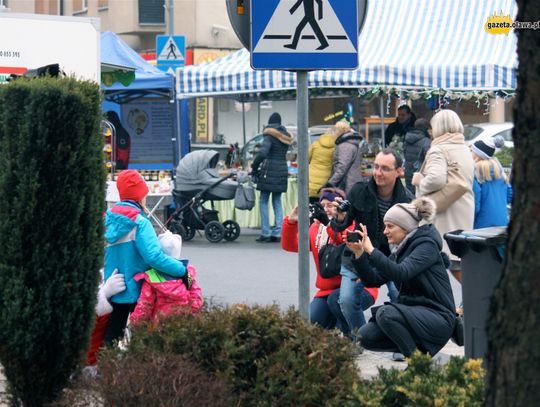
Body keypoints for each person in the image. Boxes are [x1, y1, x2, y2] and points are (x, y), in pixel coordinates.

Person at [347, 197, 456, 358]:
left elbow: (401, 272)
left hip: (438, 317)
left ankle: (417, 365)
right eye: (385, 226)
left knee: (386, 313)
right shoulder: (401, 251)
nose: (385, 231)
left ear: (405, 228)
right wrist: (359, 253)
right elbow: (373, 280)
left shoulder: (426, 246)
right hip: (414, 314)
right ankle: (418, 356)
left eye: (390, 226)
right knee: (365, 336)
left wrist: (372, 250)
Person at [329, 149, 414, 342]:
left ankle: (401, 343)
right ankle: (364, 339)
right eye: (376, 166)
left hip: (393, 259)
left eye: (385, 168)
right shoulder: (359, 190)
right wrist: (340, 218)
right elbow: (339, 224)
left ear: (399, 171)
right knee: (347, 301)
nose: (378, 172)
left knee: (402, 299)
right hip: (358, 258)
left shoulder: (407, 200)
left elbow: (412, 237)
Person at [103, 170, 187, 344]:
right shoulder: (140, 222)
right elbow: (154, 257)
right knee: (143, 336)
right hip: (138, 289)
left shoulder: (107, 221)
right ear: (139, 197)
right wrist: (181, 270)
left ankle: (106, 369)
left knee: (112, 334)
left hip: (113, 286)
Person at [281, 189, 378, 330]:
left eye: (332, 205)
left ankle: (357, 339)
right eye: (323, 205)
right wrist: (291, 222)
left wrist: (329, 223)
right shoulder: (315, 228)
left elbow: (343, 240)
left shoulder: (352, 224)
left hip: (359, 288)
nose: (327, 209)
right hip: (326, 290)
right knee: (312, 319)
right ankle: (336, 332)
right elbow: (292, 246)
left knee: (337, 301)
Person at [412, 109, 474, 283]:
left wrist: (419, 181)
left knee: (445, 263)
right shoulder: (464, 148)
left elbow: (436, 179)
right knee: (456, 262)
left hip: (442, 215)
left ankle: (481, 301)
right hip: (462, 210)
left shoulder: (438, 150)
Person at [130, 231, 202, 325]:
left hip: (160, 325)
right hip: (184, 323)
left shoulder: (152, 277)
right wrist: (193, 313)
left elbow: (145, 305)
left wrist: (134, 322)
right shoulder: (186, 273)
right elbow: (195, 294)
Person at [251, 112, 293, 243]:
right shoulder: (285, 137)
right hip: (281, 170)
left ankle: (265, 232)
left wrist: (254, 165)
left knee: (263, 200)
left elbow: (263, 153)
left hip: (268, 170)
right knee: (277, 201)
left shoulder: (269, 136)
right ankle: (278, 232)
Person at [470, 136, 512, 228]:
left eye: (472, 151)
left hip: (481, 226)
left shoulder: (475, 172)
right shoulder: (500, 172)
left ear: (477, 155)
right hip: (502, 223)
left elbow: (475, 205)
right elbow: (509, 196)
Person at [325, 120, 365, 195]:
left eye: (335, 130)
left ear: (340, 131)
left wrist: (330, 183)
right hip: (352, 183)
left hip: (347, 185)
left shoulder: (346, 145)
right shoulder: (350, 142)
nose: (334, 132)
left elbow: (342, 167)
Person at [308, 126, 337, 202]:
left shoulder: (315, 144)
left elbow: (307, 158)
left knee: (310, 202)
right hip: (326, 178)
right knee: (323, 203)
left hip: (312, 177)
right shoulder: (335, 147)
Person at [403, 118, 432, 194]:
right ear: (426, 129)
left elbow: (404, 153)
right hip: (420, 173)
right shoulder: (426, 141)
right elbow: (429, 158)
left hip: (408, 170)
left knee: (410, 195)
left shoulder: (407, 139)